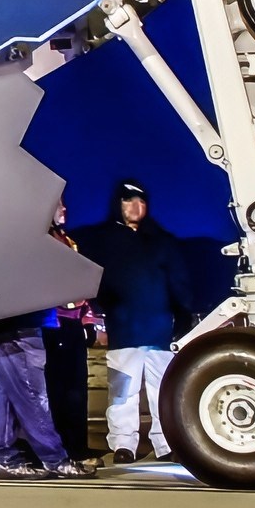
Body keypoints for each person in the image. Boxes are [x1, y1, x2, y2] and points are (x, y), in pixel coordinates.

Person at [78, 180, 192, 465]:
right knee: (123, 392)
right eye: (128, 200)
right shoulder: (102, 240)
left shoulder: (162, 239)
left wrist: (184, 314)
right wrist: (102, 308)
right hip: (124, 328)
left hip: (160, 329)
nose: (135, 207)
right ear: (118, 204)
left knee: (163, 391)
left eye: (141, 201)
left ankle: (166, 443)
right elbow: (93, 281)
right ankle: (123, 444)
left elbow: (179, 282)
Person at [0, 310, 96, 480]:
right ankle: (54, 458)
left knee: (3, 395)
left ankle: (6, 459)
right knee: (31, 393)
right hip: (20, 322)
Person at [44, 198, 96, 462]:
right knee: (59, 390)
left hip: (73, 323)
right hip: (55, 324)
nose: (65, 209)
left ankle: (77, 446)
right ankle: (63, 448)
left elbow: (81, 286)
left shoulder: (66, 240)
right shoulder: (44, 241)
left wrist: (88, 321)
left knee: (77, 389)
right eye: (59, 205)